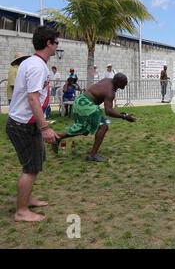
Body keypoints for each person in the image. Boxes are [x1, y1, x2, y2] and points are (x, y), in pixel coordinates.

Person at [5, 26, 60, 222]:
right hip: (23, 126)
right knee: (30, 167)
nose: (57, 46)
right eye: (56, 42)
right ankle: (21, 211)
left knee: (35, 163)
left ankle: (27, 199)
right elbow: (33, 99)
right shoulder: (37, 66)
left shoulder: (32, 62)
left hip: (26, 123)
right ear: (49, 43)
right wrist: (45, 127)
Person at [52, 73, 136, 162]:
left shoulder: (107, 80)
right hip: (86, 104)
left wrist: (121, 114)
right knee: (103, 126)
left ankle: (58, 137)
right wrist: (124, 116)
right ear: (118, 82)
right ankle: (92, 155)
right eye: (124, 83)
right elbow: (108, 111)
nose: (126, 84)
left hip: (80, 101)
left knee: (84, 128)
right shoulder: (110, 92)